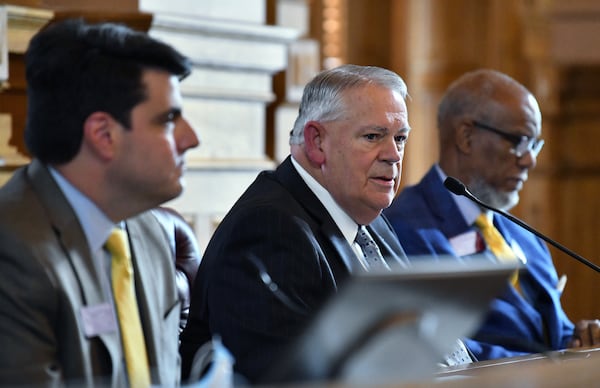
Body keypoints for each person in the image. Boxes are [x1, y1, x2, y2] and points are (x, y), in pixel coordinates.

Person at [179, 64, 411, 383]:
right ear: (316, 142)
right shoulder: (269, 228)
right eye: (373, 136)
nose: (394, 155)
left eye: (400, 138)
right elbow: (285, 379)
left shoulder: (370, 216)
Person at [0, 18, 199, 386]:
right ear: (103, 135)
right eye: (169, 120)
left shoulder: (150, 232)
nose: (192, 138)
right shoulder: (12, 252)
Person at [384, 68, 600, 362]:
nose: (530, 160)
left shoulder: (523, 234)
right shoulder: (405, 228)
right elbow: (444, 351)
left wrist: (581, 338)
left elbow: (552, 332)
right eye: (519, 142)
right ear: (466, 137)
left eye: (535, 144)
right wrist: (555, 363)